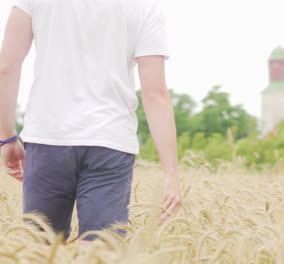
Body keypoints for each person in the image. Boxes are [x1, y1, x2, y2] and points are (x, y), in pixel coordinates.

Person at [0, 0, 182, 243]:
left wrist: (7, 136)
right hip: (111, 142)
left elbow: (6, 66)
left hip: (49, 136)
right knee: (101, 251)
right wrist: (171, 172)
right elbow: (155, 93)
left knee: (41, 249)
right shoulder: (144, 6)